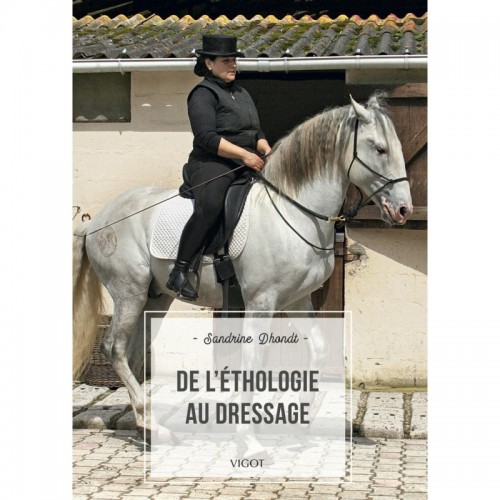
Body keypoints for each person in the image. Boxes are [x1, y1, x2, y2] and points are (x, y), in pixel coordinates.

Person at [166, 34, 272, 300]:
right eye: (226, 61)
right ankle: (180, 270)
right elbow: (206, 138)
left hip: (244, 161)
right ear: (209, 63)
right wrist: (245, 156)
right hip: (211, 162)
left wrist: (267, 150)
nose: (233, 65)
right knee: (211, 204)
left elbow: (255, 131)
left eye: (234, 60)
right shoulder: (202, 94)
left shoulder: (242, 93)